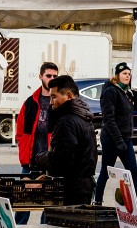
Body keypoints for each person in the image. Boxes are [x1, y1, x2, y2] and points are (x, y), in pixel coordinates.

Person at [93, 62, 137, 216]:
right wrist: (118, 140)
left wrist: (136, 88)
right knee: (106, 170)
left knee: (133, 171)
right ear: (117, 75)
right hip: (112, 138)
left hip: (125, 138)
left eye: (129, 74)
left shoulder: (126, 92)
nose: (127, 76)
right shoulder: (111, 91)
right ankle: (97, 202)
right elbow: (108, 119)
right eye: (124, 73)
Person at [33, 75, 98, 205]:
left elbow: (61, 160)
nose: (51, 102)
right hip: (83, 188)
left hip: (70, 190)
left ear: (68, 96)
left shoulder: (67, 122)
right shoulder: (84, 116)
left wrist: (39, 158)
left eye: (54, 97)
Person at [14, 62, 58, 225]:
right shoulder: (30, 102)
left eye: (55, 76)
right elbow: (20, 131)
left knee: (48, 207)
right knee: (23, 205)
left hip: (50, 163)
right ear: (40, 77)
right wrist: (23, 150)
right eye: (48, 75)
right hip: (30, 162)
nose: (52, 78)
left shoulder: (58, 102)